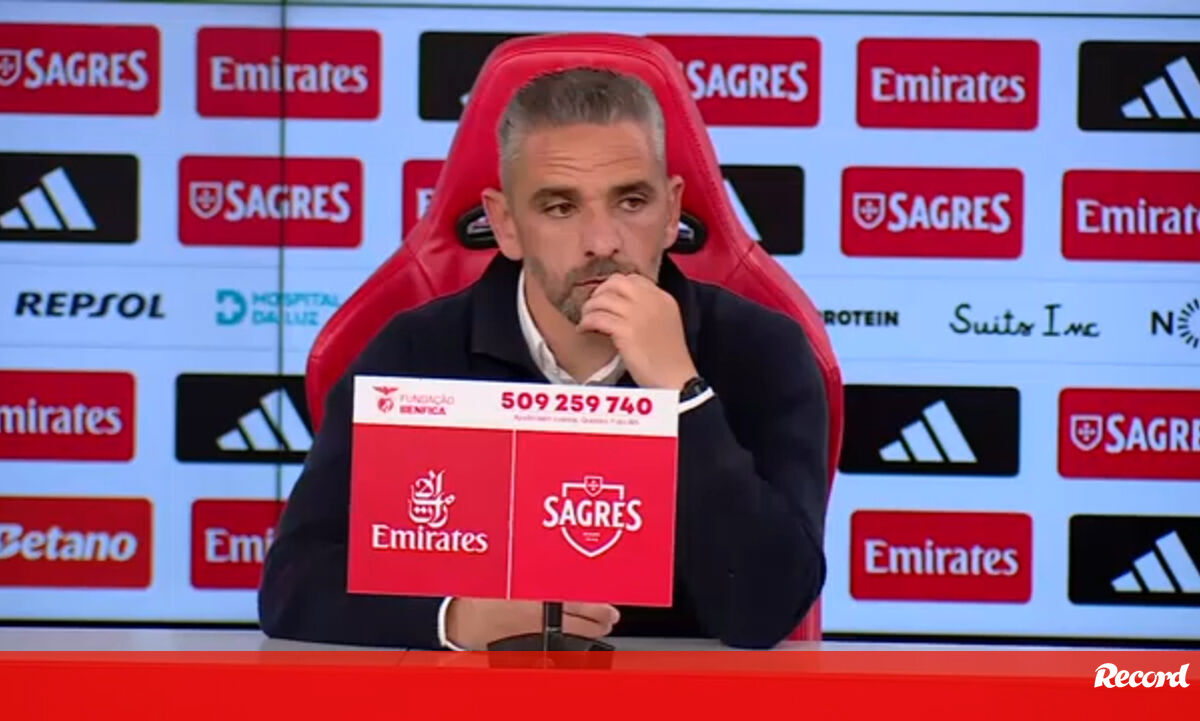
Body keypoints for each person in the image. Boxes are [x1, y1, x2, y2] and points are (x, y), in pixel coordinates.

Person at [258, 66, 829, 650]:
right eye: (560, 208)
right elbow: (292, 585)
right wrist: (458, 620)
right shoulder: (413, 352)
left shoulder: (762, 350)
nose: (602, 241)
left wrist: (680, 395)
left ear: (671, 211)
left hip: (685, 694)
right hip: (472, 693)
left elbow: (766, 610)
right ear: (506, 225)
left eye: (632, 201)